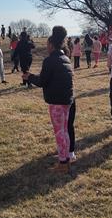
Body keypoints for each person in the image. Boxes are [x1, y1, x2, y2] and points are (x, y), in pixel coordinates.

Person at [24, 26, 75, 173]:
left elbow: (42, 81)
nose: (46, 47)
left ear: (51, 45)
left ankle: (63, 163)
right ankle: (66, 158)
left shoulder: (50, 60)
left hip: (57, 102)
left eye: (47, 44)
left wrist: (30, 77)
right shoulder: (66, 57)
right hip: (67, 100)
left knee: (59, 132)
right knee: (64, 131)